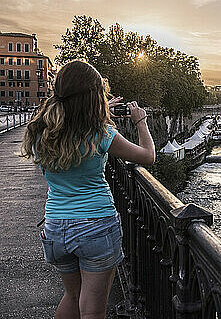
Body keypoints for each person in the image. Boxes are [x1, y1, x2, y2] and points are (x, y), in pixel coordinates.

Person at [20, 60, 155, 319]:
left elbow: (72, 123)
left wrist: (102, 110)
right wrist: (141, 122)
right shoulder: (101, 134)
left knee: (72, 297)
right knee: (92, 311)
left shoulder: (41, 132)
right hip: (96, 226)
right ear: (94, 97)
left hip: (56, 226)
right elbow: (147, 156)